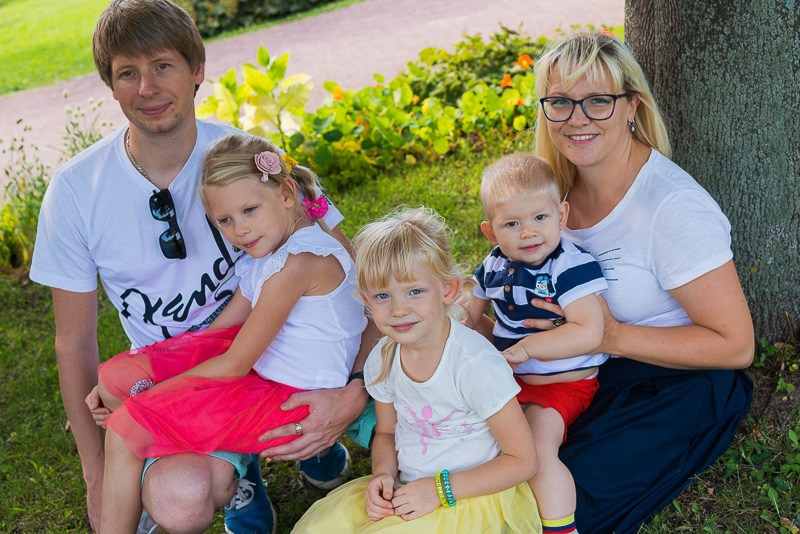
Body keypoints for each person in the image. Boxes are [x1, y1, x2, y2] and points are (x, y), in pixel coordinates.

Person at [29, 1, 376, 532]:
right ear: (111, 85)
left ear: (197, 69)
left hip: (272, 354)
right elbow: (73, 344)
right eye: (128, 72)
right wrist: (96, 477)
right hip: (204, 358)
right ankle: (239, 479)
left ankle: (311, 449)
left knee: (171, 396)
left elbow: (360, 282)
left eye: (163, 65)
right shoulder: (76, 191)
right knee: (178, 496)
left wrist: (352, 393)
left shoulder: (250, 161)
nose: (147, 87)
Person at [525, 33, 754, 533]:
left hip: (673, 380)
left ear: (631, 106)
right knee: (488, 460)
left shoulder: (671, 207)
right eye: (560, 102)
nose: (576, 118)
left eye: (597, 101)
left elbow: (735, 347)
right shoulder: (550, 193)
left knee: (555, 503)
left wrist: (607, 336)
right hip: (576, 372)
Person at [92, 134, 367, 533]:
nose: (239, 230)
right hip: (267, 375)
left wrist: (153, 397)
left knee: (127, 425)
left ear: (287, 193)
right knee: (118, 380)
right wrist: (141, 376)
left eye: (249, 210)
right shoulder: (271, 255)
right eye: (224, 220)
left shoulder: (298, 263)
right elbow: (218, 333)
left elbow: (234, 362)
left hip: (291, 399)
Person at [293, 207, 542, 533]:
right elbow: (385, 433)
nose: (398, 309)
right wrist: (383, 474)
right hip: (408, 490)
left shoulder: (474, 365)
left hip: (471, 498)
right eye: (383, 295)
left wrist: (441, 490)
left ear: (449, 290)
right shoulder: (383, 356)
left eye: (415, 291)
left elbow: (522, 461)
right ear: (366, 301)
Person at [463, 152, 607, 534]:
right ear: (491, 232)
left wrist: (527, 349)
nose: (528, 232)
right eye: (512, 223)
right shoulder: (493, 265)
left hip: (562, 384)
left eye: (539, 218)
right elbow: (467, 316)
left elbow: (589, 330)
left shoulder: (568, 265)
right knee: (474, 441)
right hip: (509, 382)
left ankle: (562, 529)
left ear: (561, 216)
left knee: (536, 453)